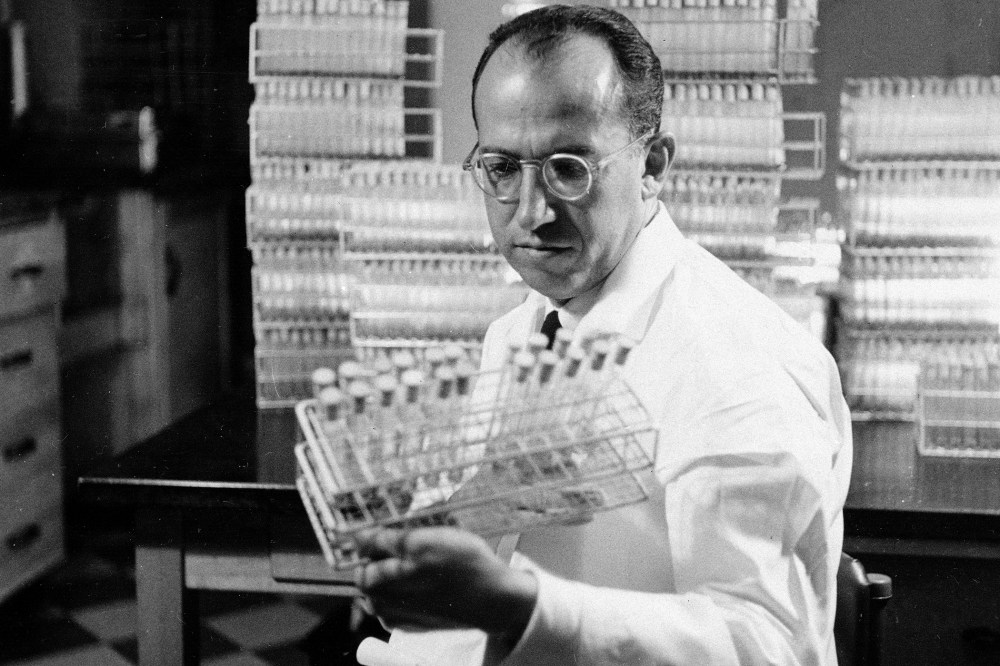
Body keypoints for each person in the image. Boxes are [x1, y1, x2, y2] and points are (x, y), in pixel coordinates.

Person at [353, 5, 852, 664]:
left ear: (652, 165)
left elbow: (769, 645)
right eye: (502, 168)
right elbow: (518, 534)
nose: (531, 212)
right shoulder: (528, 327)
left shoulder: (736, 363)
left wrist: (522, 605)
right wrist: (443, 535)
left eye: (568, 167)